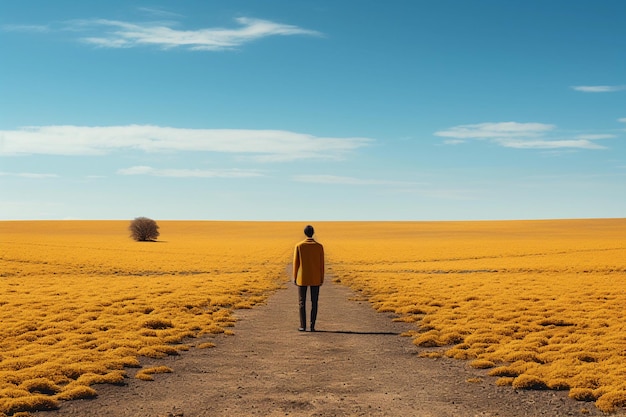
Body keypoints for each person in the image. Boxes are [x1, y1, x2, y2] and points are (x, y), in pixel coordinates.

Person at [293, 225, 325, 332]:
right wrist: (321, 278)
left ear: (305, 233)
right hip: (315, 278)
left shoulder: (299, 246)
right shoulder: (319, 246)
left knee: (302, 302)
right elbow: (322, 265)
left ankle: (303, 325)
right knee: (314, 302)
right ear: (313, 233)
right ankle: (312, 326)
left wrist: (295, 277)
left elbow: (296, 264)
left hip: (302, 278)